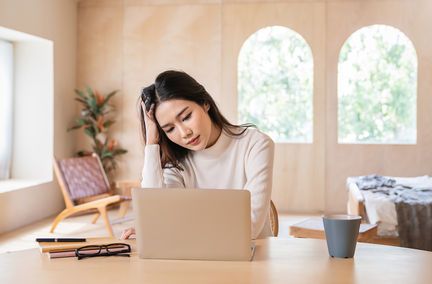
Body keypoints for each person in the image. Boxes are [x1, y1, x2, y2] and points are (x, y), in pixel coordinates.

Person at [121, 70, 274, 240]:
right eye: (169, 129)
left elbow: (250, 227)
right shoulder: (176, 162)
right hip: (195, 259)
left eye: (186, 117)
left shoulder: (255, 144)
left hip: (253, 259)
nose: (184, 133)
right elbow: (155, 214)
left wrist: (172, 229)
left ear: (204, 103)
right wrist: (152, 142)